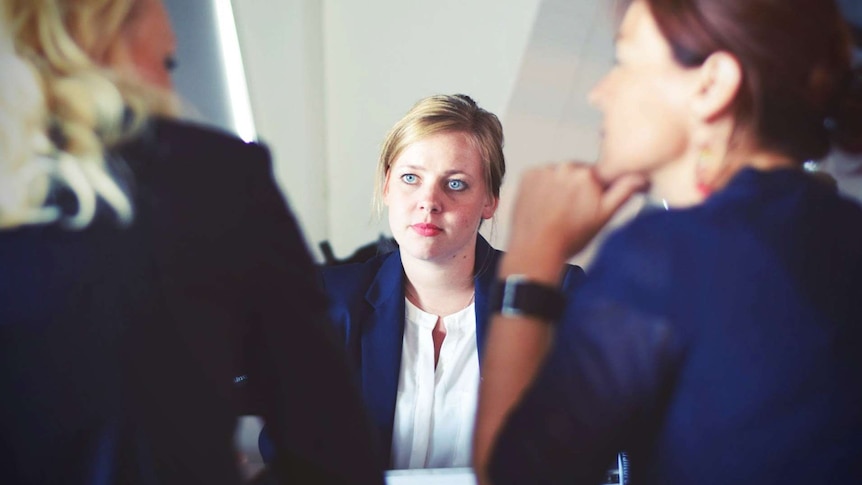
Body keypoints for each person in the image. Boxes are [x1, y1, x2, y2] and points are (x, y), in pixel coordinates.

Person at [473, 0, 862, 484]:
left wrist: (532, 254)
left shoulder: (665, 256)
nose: (599, 92)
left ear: (711, 85)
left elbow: (515, 478)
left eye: (624, 61)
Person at [0, 0, 383, 484]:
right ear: (110, 24)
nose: (172, 78)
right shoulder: (214, 180)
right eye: (168, 64)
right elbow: (334, 452)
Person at [320, 94, 585, 469]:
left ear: (490, 200)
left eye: (456, 184)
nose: (428, 201)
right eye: (410, 178)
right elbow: (288, 452)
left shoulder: (554, 295)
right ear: (386, 187)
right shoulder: (330, 301)